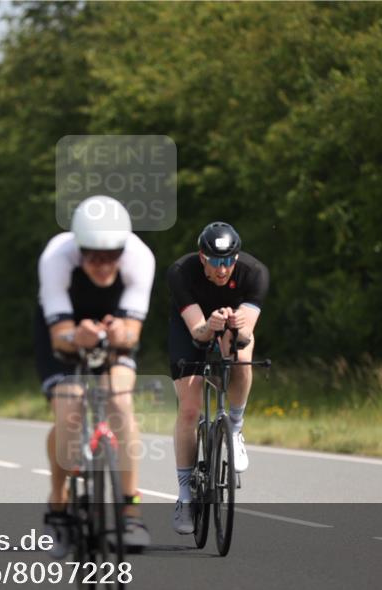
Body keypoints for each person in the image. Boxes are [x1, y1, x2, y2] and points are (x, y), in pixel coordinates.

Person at [36, 195, 155, 555]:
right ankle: (59, 504)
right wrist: (77, 337)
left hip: (113, 327)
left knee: (120, 404)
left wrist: (121, 334)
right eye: (93, 257)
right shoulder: (56, 258)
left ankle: (130, 512)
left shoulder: (139, 257)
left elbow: (133, 332)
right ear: (79, 247)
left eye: (111, 257)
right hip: (64, 330)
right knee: (69, 406)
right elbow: (59, 337)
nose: (103, 266)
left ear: (123, 250)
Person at [166, 222, 269, 534]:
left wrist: (236, 327)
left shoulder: (254, 273)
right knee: (189, 407)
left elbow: (247, 334)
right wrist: (210, 326)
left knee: (241, 359)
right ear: (202, 257)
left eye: (229, 261)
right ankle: (185, 496)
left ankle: (234, 427)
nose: (223, 270)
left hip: (231, 327)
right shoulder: (181, 272)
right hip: (191, 327)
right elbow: (197, 332)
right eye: (216, 261)